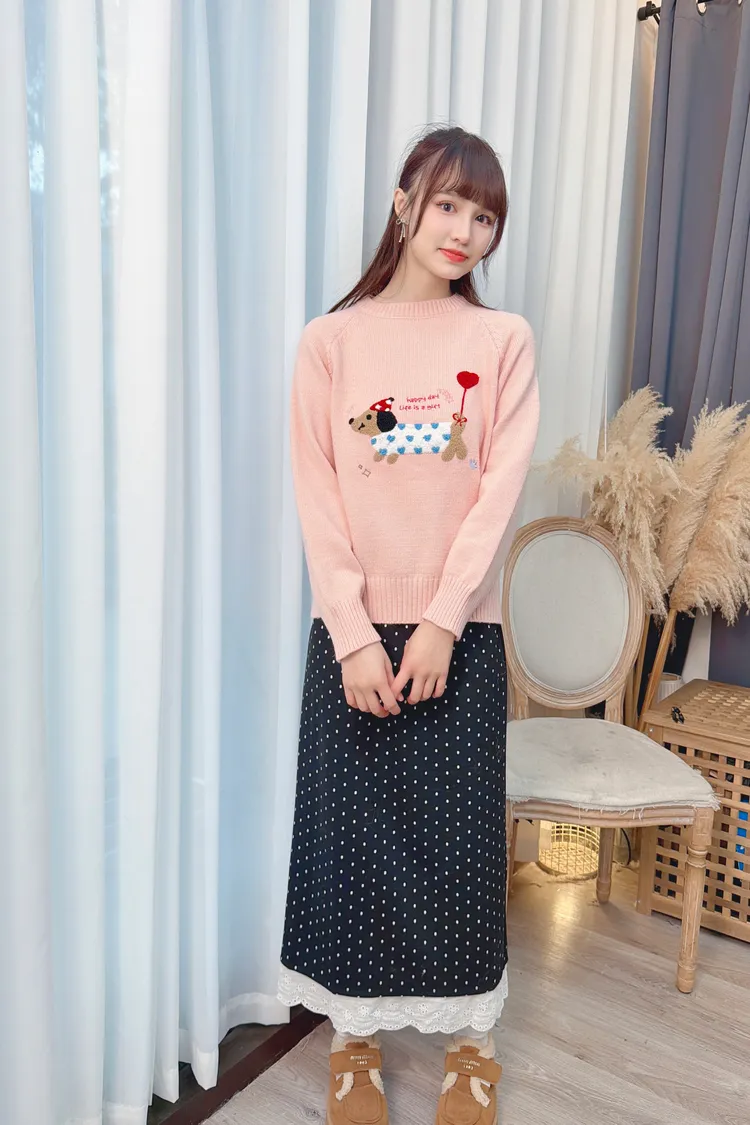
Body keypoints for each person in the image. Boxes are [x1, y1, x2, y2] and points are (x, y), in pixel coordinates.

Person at [277, 123, 540, 1125]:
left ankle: (474, 1044)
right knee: (353, 849)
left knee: (459, 852)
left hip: (456, 636)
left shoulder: (501, 342)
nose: (465, 230)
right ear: (404, 203)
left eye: (485, 216)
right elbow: (319, 497)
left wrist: (440, 621)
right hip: (350, 636)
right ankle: (353, 1042)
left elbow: (496, 494)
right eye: (448, 204)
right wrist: (352, 632)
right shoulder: (330, 343)